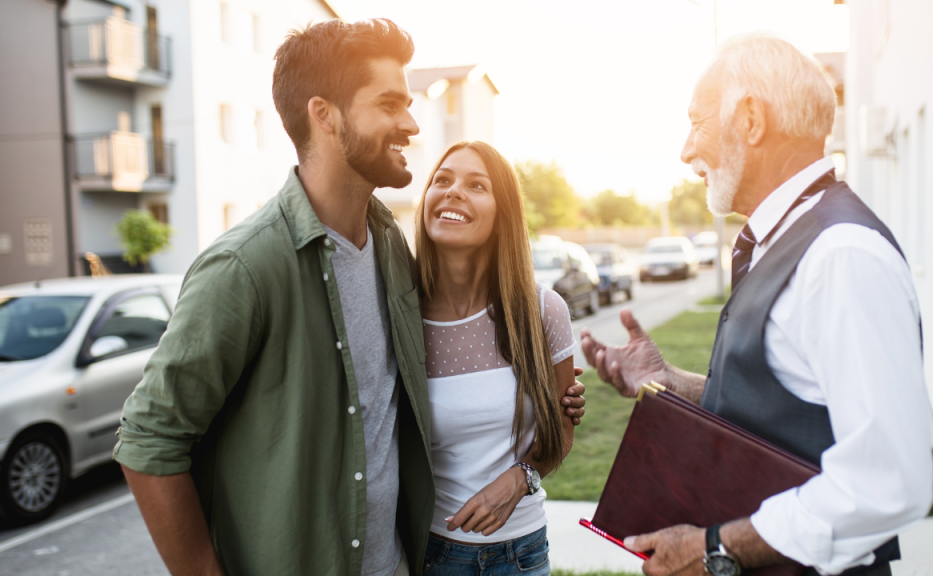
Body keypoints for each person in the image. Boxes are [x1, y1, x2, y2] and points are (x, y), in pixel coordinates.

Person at [112, 20, 586, 576]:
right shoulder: (245, 267)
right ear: (325, 115)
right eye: (390, 104)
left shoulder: (390, 250)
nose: (410, 124)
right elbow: (150, 439)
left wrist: (549, 413)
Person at [580, 34, 933, 576]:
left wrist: (715, 547)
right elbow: (793, 407)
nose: (685, 149)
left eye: (696, 122)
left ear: (749, 120)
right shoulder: (781, 240)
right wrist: (672, 382)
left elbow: (886, 481)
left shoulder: (842, 256)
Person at [413, 141, 577, 576]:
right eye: (442, 180)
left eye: (476, 185)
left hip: (521, 556)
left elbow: (562, 426)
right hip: (433, 555)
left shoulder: (543, 311)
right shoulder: (401, 315)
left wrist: (522, 476)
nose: (453, 192)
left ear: (502, 212)